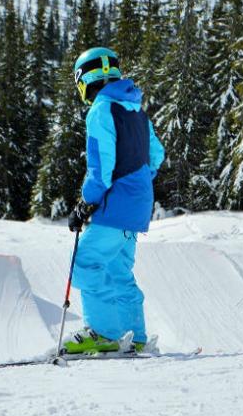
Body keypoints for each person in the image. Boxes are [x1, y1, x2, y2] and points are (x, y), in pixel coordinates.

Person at [61, 47, 165, 355]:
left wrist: (86, 203)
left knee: (86, 262)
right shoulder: (136, 110)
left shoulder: (101, 110)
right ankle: (135, 337)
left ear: (84, 78)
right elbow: (156, 156)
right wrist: (137, 182)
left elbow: (101, 169)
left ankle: (104, 333)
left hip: (115, 203)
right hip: (137, 205)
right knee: (118, 269)